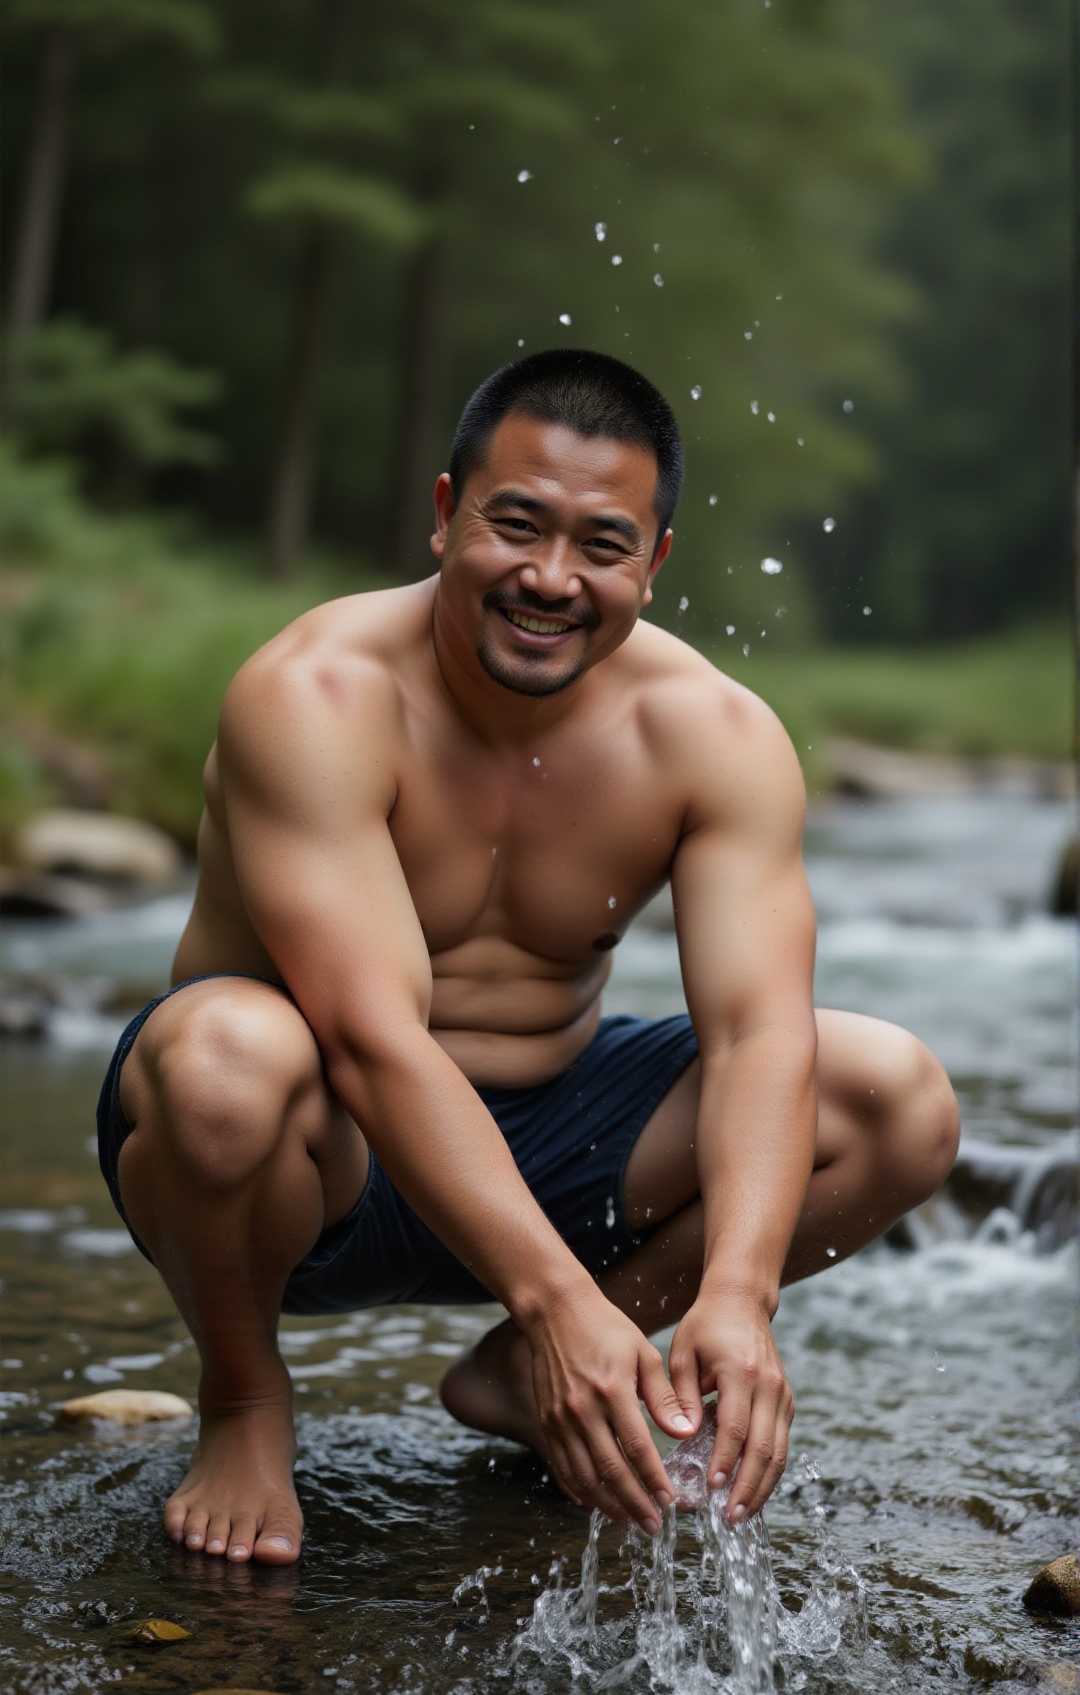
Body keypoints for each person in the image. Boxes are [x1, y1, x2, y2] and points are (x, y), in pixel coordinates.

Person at [96, 348, 959, 1566]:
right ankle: (245, 1399)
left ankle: (526, 1372)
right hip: (310, 1151)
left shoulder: (714, 735)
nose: (551, 580)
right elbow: (369, 1038)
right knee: (227, 1058)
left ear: (653, 567)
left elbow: (762, 1031)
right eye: (518, 526)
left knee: (897, 1098)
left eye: (602, 546)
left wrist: (737, 1296)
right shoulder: (317, 694)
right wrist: (554, 1297)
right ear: (447, 517)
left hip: (554, 1140)